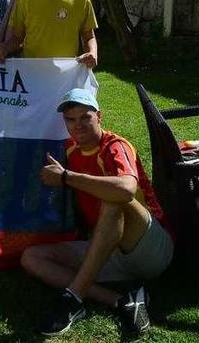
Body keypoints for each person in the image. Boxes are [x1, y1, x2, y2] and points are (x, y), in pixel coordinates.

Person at [21, 88, 172, 337]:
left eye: (85, 117)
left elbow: (126, 190)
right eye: (70, 119)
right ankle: (121, 300)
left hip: (151, 249)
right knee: (31, 258)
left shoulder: (115, 145)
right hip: (108, 249)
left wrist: (67, 177)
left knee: (114, 197)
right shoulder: (69, 149)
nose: (77, 125)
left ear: (99, 116)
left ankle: (73, 298)